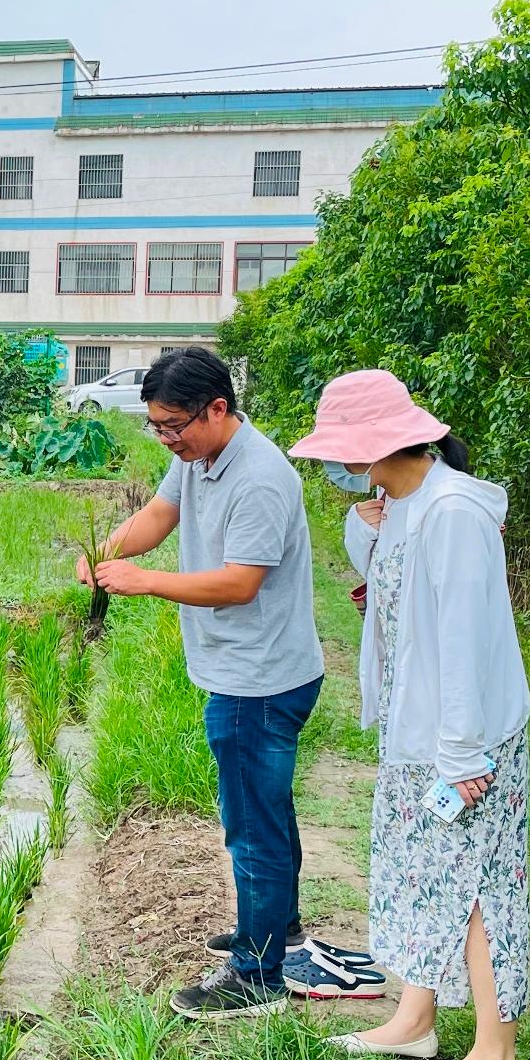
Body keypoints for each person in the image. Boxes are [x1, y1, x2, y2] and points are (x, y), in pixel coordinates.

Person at [81, 347, 369, 1020]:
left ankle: (257, 976)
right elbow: (159, 514)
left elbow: (240, 584)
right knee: (265, 812)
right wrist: (108, 552)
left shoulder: (260, 478)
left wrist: (145, 581)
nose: (165, 438)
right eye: (156, 426)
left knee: (251, 826)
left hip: (259, 681)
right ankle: (277, 930)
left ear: (218, 408)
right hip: (245, 672)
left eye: (174, 425)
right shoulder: (197, 456)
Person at [291, 370, 530, 1060]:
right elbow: (386, 595)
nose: (335, 463)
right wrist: (367, 526)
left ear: (373, 444)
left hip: (464, 736)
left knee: (478, 885)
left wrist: (461, 752)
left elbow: (463, 638)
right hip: (419, 727)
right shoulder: (404, 505)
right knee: (423, 872)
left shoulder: (452, 512)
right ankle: (414, 1020)